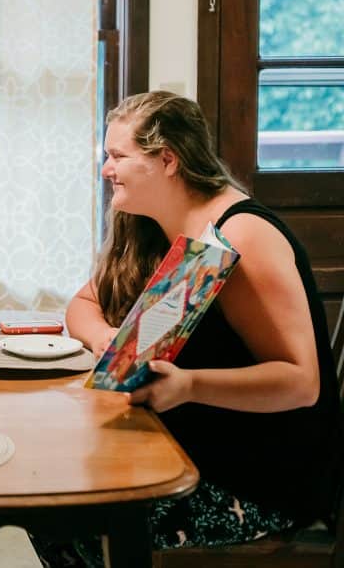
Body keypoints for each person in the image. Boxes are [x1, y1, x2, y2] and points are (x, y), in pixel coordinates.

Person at [36, 92, 343, 566]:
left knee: (63, 520)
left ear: (168, 160)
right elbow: (83, 304)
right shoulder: (149, 225)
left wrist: (189, 386)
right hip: (180, 449)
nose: (105, 170)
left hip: (255, 482)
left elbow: (301, 384)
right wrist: (106, 342)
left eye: (117, 157)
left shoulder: (242, 235)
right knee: (45, 491)